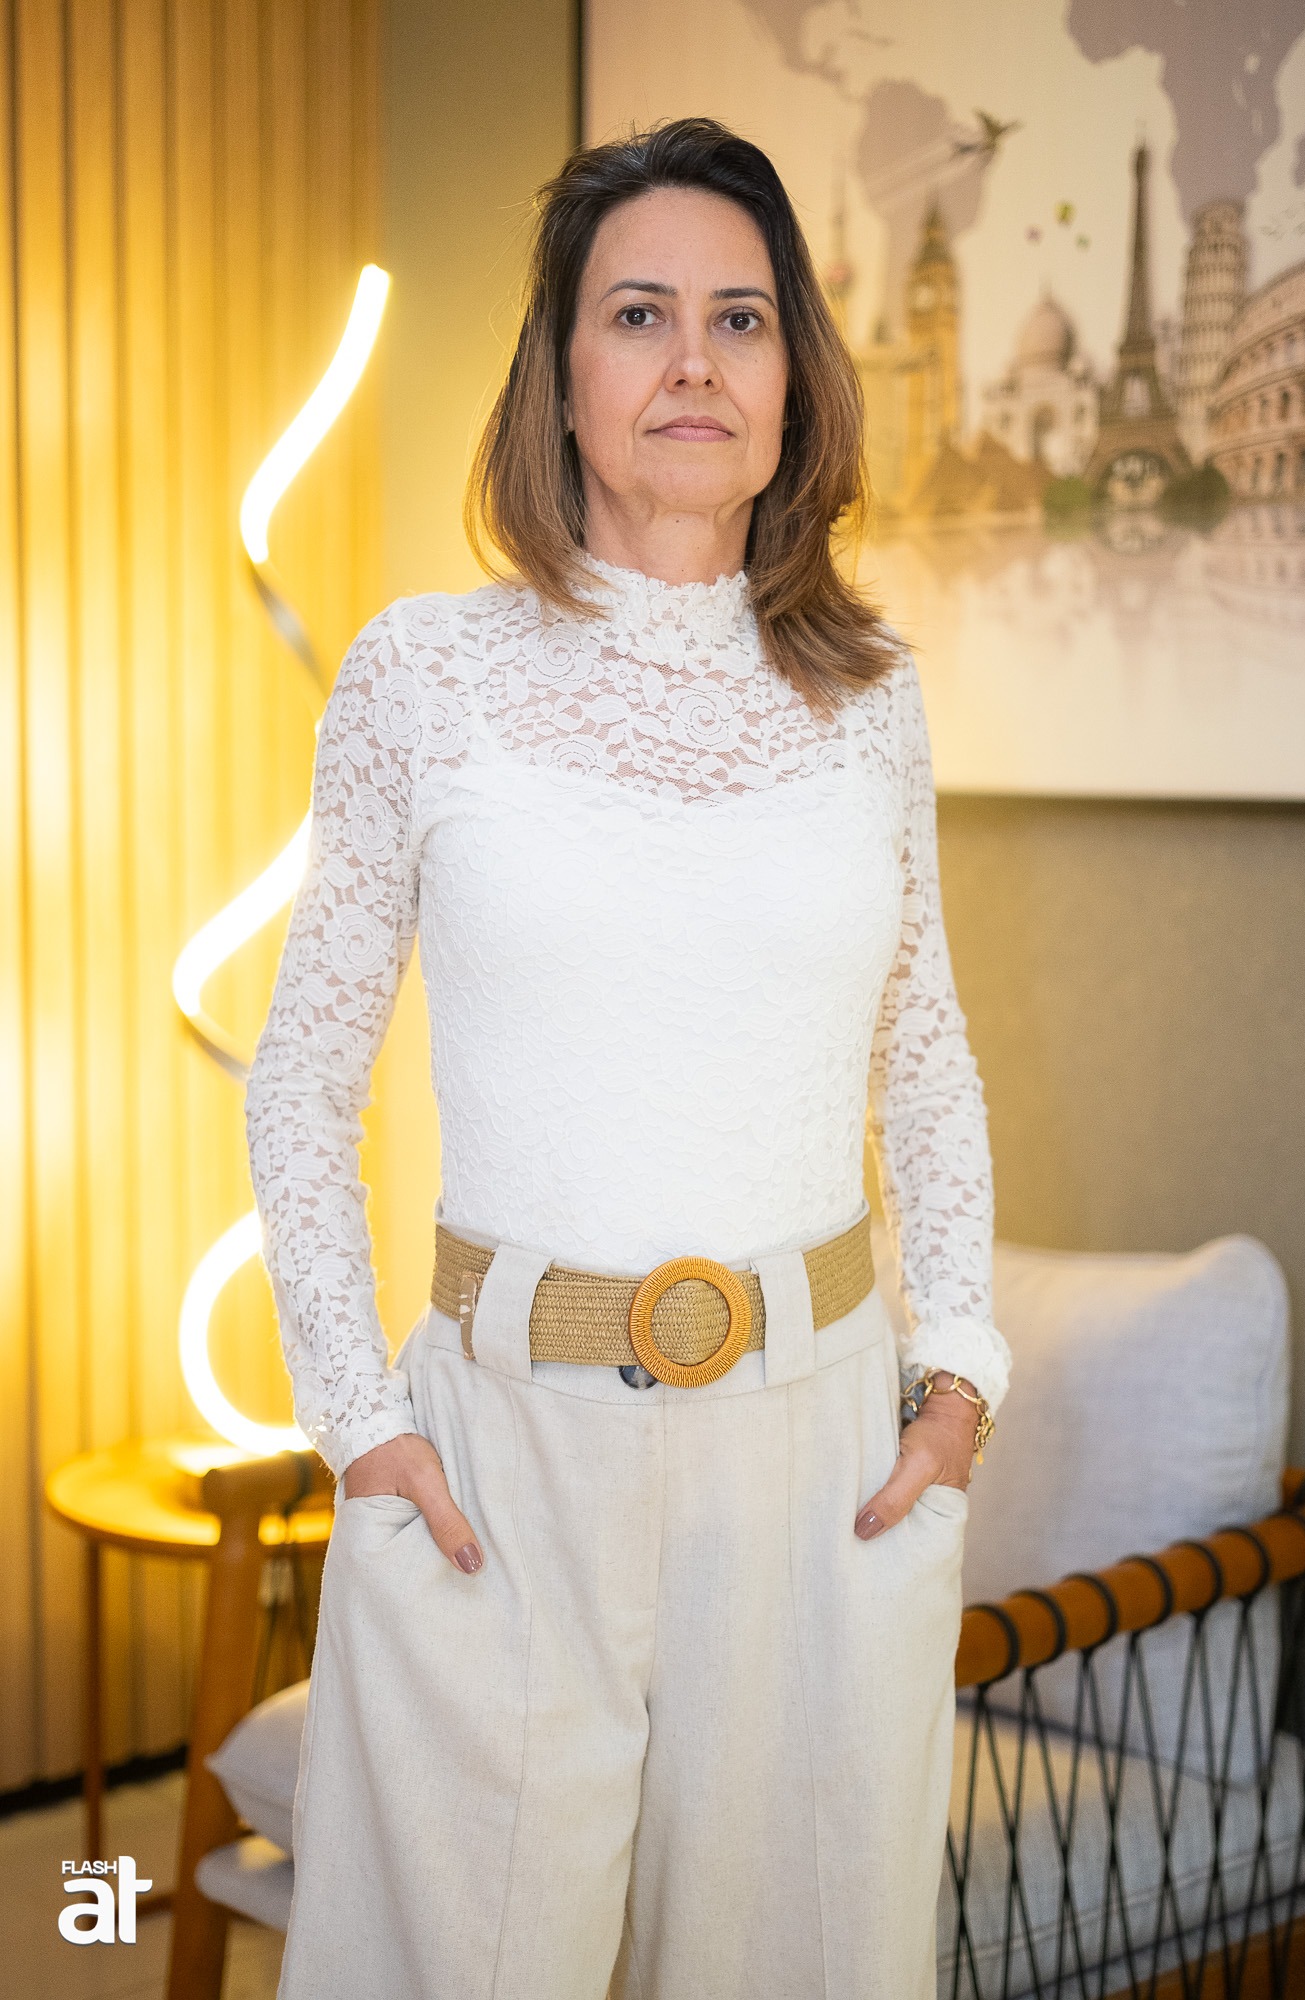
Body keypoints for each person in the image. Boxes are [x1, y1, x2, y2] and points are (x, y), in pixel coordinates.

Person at [246, 115, 1011, 2000]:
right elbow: (302, 1077)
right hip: (497, 1465)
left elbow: (923, 1054)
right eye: (638, 313)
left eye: (740, 318)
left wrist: (957, 1379)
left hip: (823, 1463)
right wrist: (359, 1427)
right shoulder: (419, 674)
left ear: (793, 377)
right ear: (561, 371)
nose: (693, 361)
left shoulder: (872, 698)